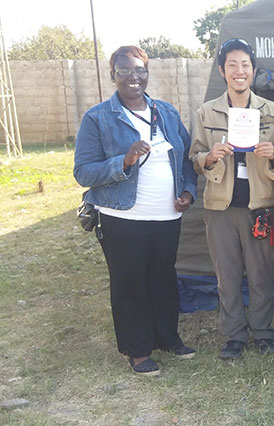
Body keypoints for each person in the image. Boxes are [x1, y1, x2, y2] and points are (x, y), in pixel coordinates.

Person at [73, 45, 198, 376]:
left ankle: (167, 338)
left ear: (148, 73)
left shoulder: (166, 113)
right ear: (112, 75)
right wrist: (123, 161)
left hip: (166, 215)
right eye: (124, 70)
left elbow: (186, 161)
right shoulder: (98, 118)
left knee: (163, 278)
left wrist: (187, 191)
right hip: (122, 217)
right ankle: (139, 350)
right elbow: (83, 172)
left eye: (139, 70)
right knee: (130, 282)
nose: (133, 77)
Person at [189, 38, 274, 360]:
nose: (239, 71)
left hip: (261, 206)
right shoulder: (207, 112)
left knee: (261, 275)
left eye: (245, 65)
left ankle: (262, 332)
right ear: (222, 71)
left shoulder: (271, 112)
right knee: (227, 276)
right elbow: (195, 157)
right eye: (232, 65)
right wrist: (210, 157)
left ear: (253, 71)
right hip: (220, 207)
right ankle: (233, 336)